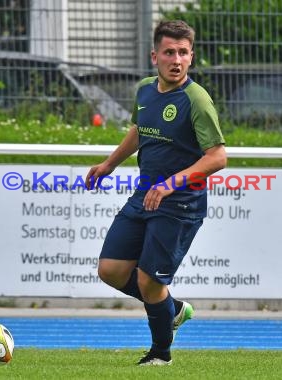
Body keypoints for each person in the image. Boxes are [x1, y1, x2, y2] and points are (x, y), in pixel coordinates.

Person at [85, 20, 226, 366]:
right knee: (111, 270)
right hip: (144, 195)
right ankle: (171, 308)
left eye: (182, 53)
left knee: (149, 281)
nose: (176, 59)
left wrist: (171, 184)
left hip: (180, 203)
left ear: (191, 57)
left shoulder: (197, 100)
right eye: (169, 52)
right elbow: (139, 130)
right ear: (155, 56)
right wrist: (109, 164)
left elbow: (218, 156)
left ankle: (160, 354)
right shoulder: (146, 90)